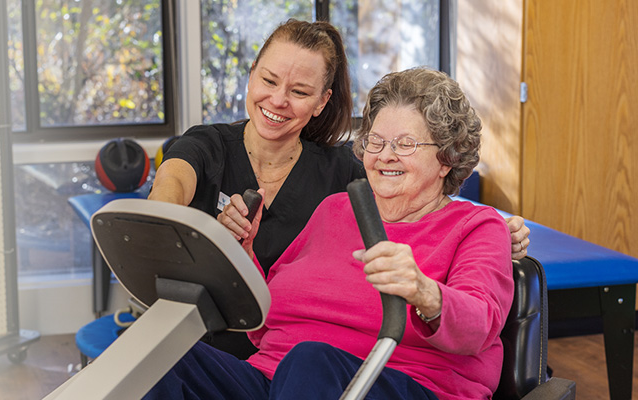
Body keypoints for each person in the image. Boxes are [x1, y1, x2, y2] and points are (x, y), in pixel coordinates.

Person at [145, 19, 528, 359]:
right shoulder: (333, 207)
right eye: (375, 141)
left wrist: (485, 239)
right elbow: (172, 183)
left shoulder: (345, 175)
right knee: (158, 364)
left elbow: (429, 203)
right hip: (245, 349)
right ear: (251, 75)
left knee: (309, 361)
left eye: (405, 144)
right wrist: (223, 247)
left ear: (321, 101)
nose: (385, 156)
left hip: (324, 367)